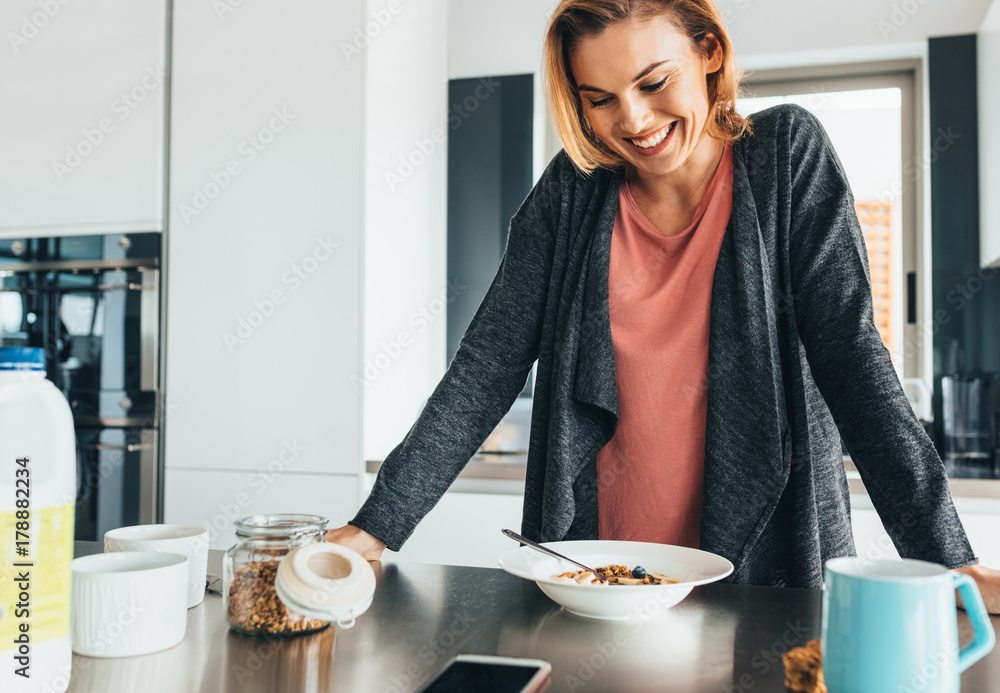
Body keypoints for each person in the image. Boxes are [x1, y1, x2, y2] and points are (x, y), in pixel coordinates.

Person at [327, 0, 999, 610]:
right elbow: (485, 368)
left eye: (653, 83)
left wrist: (948, 557)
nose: (635, 121)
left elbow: (855, 366)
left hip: (760, 569)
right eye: (601, 99)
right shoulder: (571, 192)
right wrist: (377, 525)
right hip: (594, 574)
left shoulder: (787, 158)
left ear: (709, 50)